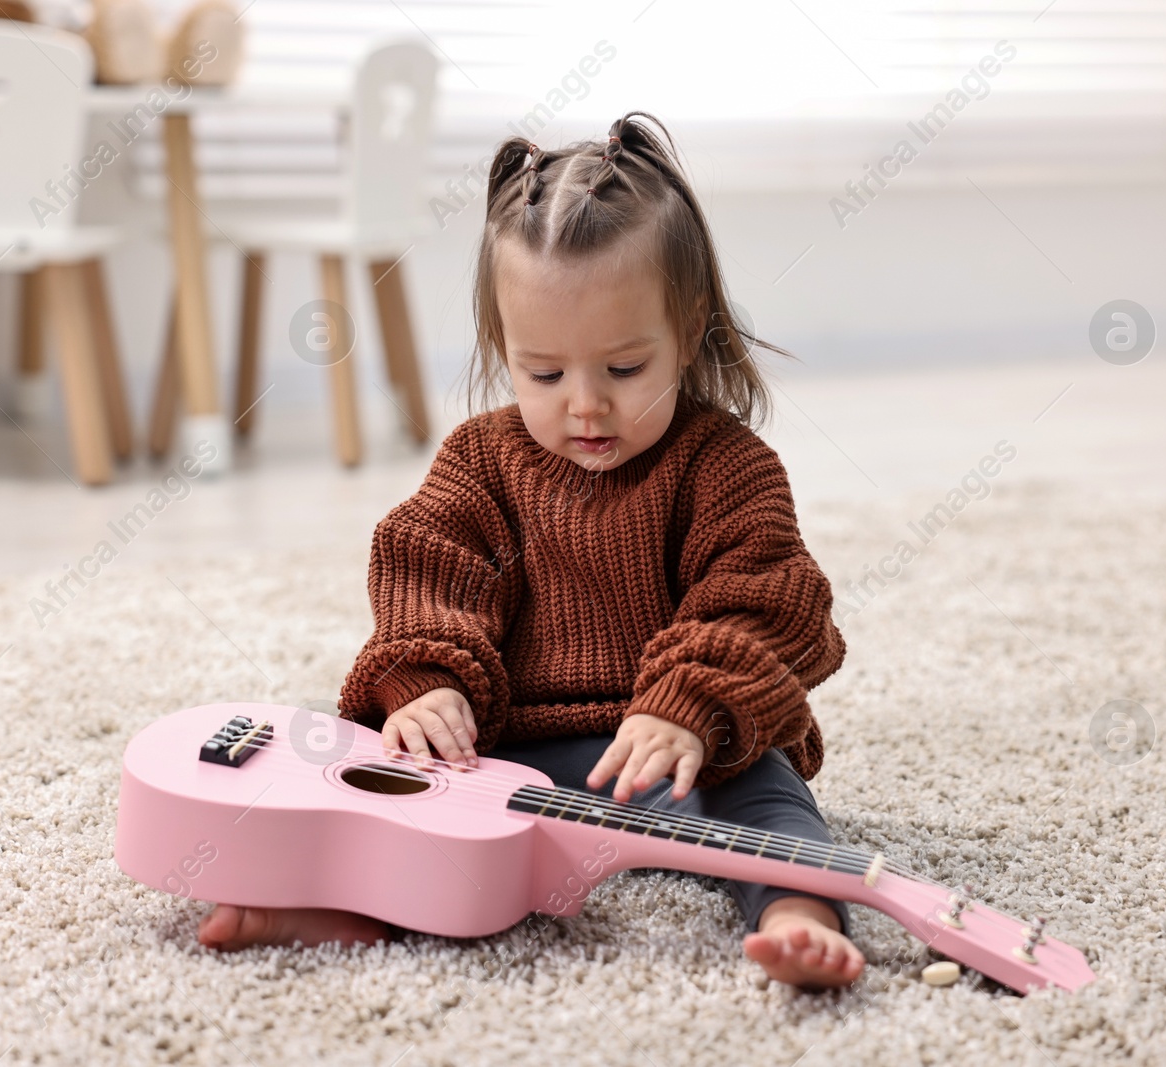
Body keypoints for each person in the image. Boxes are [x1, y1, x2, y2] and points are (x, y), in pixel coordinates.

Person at [198, 111, 863, 990]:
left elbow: (769, 601)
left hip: (676, 758)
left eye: (624, 370)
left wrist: (688, 703)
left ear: (691, 324)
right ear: (502, 346)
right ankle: (336, 908)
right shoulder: (481, 459)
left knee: (772, 803)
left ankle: (799, 917)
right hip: (507, 752)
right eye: (544, 373)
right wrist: (428, 683)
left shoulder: (727, 465)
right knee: (374, 777)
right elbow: (428, 570)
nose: (586, 407)